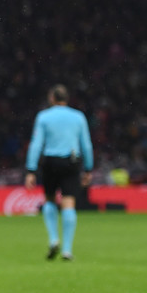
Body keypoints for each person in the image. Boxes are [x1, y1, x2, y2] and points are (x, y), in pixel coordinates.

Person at [24, 84, 94, 261]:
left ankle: (54, 238)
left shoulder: (44, 117)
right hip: (71, 162)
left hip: (51, 161)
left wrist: (31, 169)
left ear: (52, 98)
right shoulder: (78, 117)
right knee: (68, 203)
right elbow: (86, 144)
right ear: (66, 99)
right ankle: (67, 250)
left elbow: (36, 144)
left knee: (49, 199)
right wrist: (88, 168)